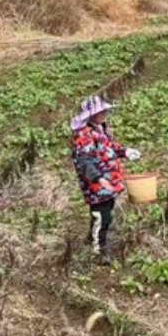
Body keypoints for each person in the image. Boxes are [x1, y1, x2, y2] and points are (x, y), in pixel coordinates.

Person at [70, 96, 140, 262]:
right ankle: (99, 251)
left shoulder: (101, 129)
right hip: (96, 184)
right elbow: (84, 160)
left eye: (104, 110)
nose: (103, 113)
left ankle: (92, 237)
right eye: (99, 111)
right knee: (103, 216)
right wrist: (98, 178)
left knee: (105, 211)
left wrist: (124, 151)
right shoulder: (84, 134)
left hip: (110, 181)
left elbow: (109, 148)